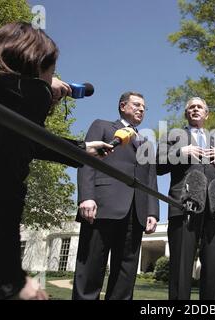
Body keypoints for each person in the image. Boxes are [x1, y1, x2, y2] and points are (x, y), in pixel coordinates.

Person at [0, 22, 113, 300]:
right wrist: (10, 281)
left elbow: (27, 140)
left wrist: (81, 148)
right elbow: (3, 189)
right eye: (52, 71)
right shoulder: (21, 97)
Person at [72, 91, 159, 300]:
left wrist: (153, 212)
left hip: (136, 213)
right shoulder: (102, 126)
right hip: (102, 207)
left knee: (125, 274)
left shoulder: (146, 143)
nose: (141, 109)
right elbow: (86, 160)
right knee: (91, 269)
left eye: (144, 107)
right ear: (122, 106)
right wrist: (86, 196)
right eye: (136, 104)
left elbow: (151, 179)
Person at [156, 97, 215, 300]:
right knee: (181, 266)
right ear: (186, 114)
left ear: (206, 114)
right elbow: (158, 165)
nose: (195, 109)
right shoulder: (173, 136)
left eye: (200, 107)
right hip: (184, 205)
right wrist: (180, 152)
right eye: (191, 107)